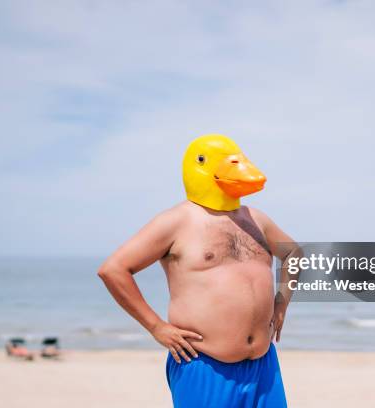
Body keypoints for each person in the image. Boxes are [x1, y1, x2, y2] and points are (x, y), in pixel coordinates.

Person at [99, 134, 298, 407]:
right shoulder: (175, 221)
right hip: (204, 364)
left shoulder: (256, 219)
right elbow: (113, 269)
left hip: (263, 365)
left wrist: (281, 301)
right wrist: (156, 326)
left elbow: (294, 253)